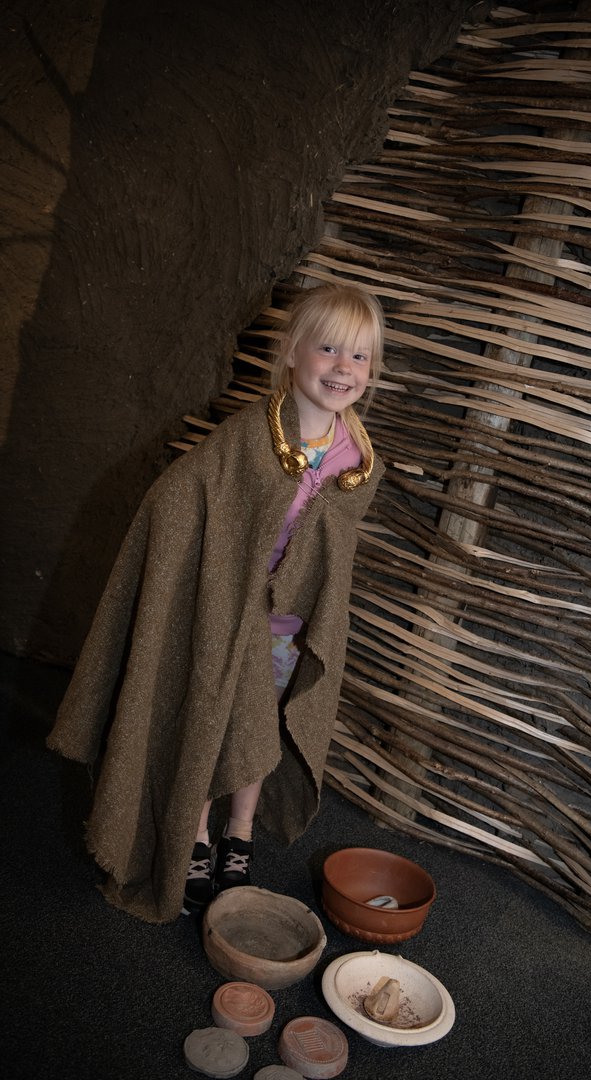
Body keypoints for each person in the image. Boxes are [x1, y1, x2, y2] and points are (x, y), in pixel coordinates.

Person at [47, 282, 385, 922]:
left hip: (289, 629)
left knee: (260, 732)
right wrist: (190, 562)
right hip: (224, 618)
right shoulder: (251, 436)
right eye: (330, 349)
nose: (344, 368)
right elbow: (180, 498)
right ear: (292, 353)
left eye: (361, 357)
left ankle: (241, 832)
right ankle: (194, 837)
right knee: (208, 725)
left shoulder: (360, 459)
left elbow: (331, 548)